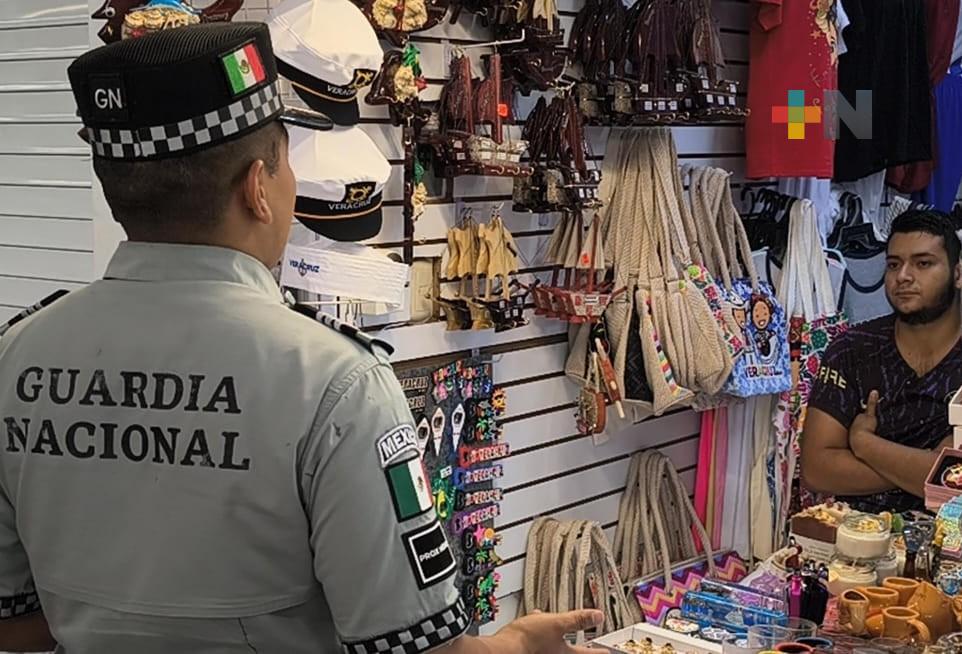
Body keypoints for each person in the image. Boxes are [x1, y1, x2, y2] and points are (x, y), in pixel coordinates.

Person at [0, 23, 603, 653]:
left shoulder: (16, 357)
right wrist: (517, 645)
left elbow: (13, 622)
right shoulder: (337, 385)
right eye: (286, 163)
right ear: (258, 189)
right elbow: (418, 646)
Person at [801, 209, 962, 514]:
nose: (903, 276)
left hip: (951, 547)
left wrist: (865, 445)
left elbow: (954, 484)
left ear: (958, 274)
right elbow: (817, 469)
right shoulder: (852, 349)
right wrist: (925, 465)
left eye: (923, 263)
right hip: (856, 545)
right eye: (893, 264)